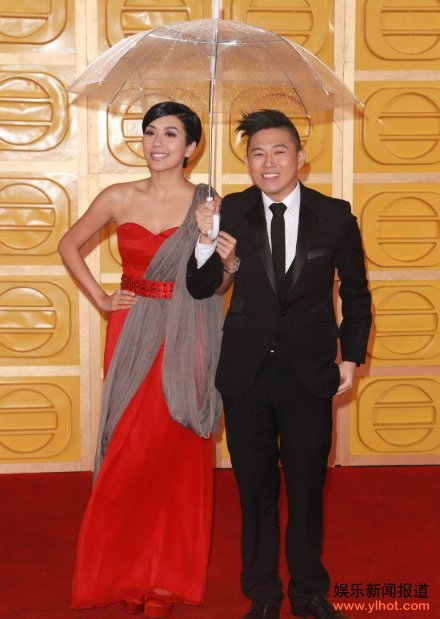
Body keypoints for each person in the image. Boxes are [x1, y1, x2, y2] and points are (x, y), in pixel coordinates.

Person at [186, 109, 372, 619]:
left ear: (300, 158)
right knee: (255, 492)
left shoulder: (334, 216)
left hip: (309, 374)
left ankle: (309, 592)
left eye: (278, 151)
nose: (267, 163)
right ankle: (263, 596)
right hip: (245, 375)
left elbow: (357, 295)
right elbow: (200, 287)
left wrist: (351, 358)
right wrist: (204, 240)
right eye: (257, 154)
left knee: (308, 489)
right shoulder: (227, 210)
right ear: (247, 162)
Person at [59, 101, 223, 618]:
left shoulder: (208, 201)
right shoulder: (118, 196)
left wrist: (209, 236)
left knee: (175, 452)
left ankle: (165, 580)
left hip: (188, 329)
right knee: (129, 451)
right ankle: (127, 572)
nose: (157, 143)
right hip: (132, 331)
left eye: (171, 134)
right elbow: (69, 244)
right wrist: (102, 299)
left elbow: (220, 278)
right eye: (151, 132)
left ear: (191, 146)